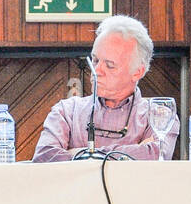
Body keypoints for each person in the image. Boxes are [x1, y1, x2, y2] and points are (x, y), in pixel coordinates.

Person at [33, 15, 179, 162]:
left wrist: (76, 153)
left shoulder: (159, 115)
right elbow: (44, 157)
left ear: (137, 72)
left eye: (109, 65)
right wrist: (132, 152)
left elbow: (154, 156)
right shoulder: (67, 111)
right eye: (95, 60)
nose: (97, 70)